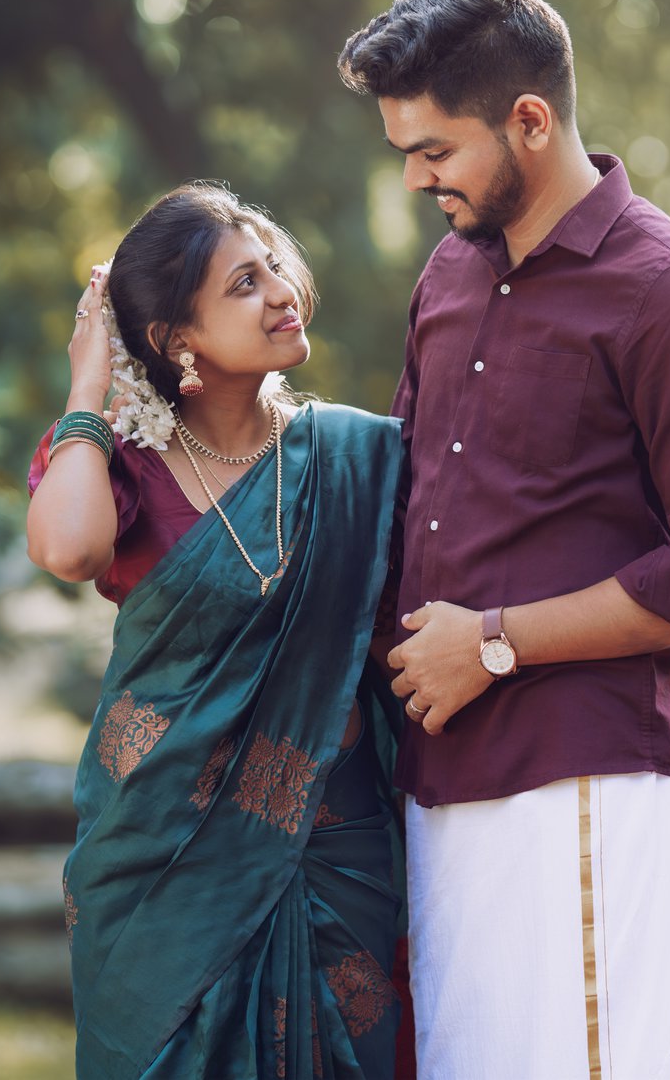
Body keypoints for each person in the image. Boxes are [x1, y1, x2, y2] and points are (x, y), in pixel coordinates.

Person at [337, 0, 670, 1079]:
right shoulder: (446, 274)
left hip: (591, 780)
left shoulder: (669, 289)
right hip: (443, 782)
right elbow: (406, 503)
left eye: (434, 150)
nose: (413, 180)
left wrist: (493, 639)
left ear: (527, 120)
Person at [26, 181, 409, 1079]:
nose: (281, 291)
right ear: (174, 340)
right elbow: (70, 548)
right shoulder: (116, 459)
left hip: (332, 850)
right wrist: (90, 383)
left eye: (273, 266)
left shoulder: (357, 459)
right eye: (242, 284)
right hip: (162, 860)